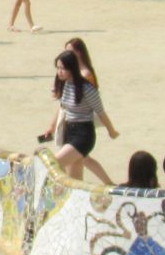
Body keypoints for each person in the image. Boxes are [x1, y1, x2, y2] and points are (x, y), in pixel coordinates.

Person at [47, 48, 119, 183]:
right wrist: (51, 127)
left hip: (83, 135)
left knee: (53, 164)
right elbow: (62, 107)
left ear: (72, 68)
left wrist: (111, 131)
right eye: (58, 68)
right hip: (69, 132)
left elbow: (101, 112)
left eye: (63, 68)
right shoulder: (64, 84)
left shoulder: (87, 89)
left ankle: (109, 184)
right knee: (75, 181)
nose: (59, 72)